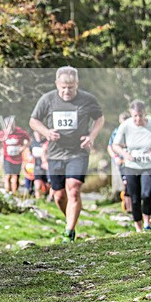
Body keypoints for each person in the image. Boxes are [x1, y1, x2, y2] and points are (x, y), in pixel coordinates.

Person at [30, 66, 104, 242]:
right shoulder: (47, 100)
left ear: (77, 84)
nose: (66, 91)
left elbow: (99, 118)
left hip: (78, 152)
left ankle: (69, 232)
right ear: (57, 84)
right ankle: (69, 219)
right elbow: (33, 121)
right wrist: (47, 133)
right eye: (63, 87)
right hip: (55, 154)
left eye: (70, 87)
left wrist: (91, 136)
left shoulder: (87, 100)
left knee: (74, 188)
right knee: (59, 195)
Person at [111, 101, 151, 232]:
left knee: (147, 194)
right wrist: (125, 154)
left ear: (145, 113)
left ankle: (147, 222)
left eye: (141, 115)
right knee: (135, 197)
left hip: (150, 165)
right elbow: (115, 145)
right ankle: (138, 226)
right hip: (132, 166)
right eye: (135, 116)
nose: (138, 119)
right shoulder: (125, 126)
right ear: (131, 114)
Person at [0, 121, 30, 194]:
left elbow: (29, 140)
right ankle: (8, 193)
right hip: (7, 158)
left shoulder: (20, 132)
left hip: (18, 159)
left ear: (14, 126)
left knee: (15, 177)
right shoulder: (2, 133)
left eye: (11, 127)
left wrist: (23, 148)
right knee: (7, 176)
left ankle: (14, 193)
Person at [108, 112, 131, 214]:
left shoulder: (134, 131)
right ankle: (128, 208)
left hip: (131, 161)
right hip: (121, 161)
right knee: (126, 184)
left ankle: (132, 207)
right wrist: (115, 157)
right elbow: (110, 146)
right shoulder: (116, 132)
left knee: (131, 184)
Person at [29, 132, 50, 200]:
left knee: (48, 184)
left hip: (47, 166)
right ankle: (38, 200)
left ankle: (47, 197)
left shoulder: (47, 142)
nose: (38, 135)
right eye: (36, 133)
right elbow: (29, 152)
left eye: (39, 133)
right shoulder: (33, 143)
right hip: (37, 165)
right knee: (37, 185)